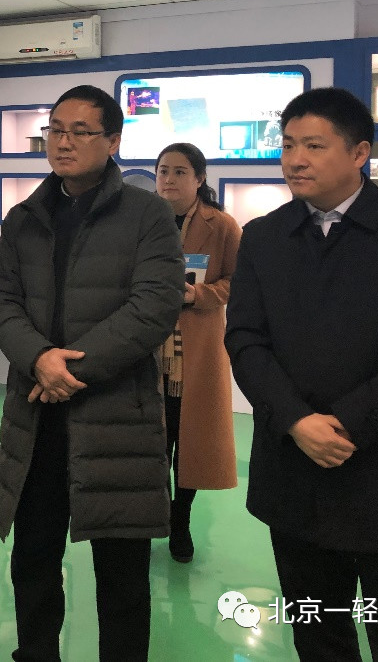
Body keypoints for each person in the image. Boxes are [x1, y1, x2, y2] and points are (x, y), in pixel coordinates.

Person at [225, 87, 378, 661]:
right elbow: (246, 340)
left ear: (359, 152)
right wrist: (296, 421)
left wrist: (345, 423)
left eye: (314, 146)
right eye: (288, 145)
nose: (295, 159)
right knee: (318, 637)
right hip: (296, 477)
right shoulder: (264, 236)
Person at [0, 84, 185, 662]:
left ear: (113, 141)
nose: (64, 142)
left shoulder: (148, 214)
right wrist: (37, 359)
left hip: (115, 417)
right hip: (35, 417)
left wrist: (67, 369)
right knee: (33, 559)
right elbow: (2, 298)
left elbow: (154, 304)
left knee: (121, 573)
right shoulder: (25, 217)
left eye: (80, 131)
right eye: (55, 130)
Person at [154, 143, 240, 563]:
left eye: (179, 172)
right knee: (153, 441)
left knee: (189, 443)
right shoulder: (142, 221)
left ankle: (181, 519)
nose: (169, 179)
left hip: (198, 353)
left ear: (199, 178)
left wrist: (198, 294)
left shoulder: (221, 226)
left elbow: (238, 282)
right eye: (163, 171)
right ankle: (153, 517)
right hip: (147, 352)